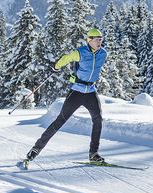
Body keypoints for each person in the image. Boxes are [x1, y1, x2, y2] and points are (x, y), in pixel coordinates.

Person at [24, 28, 108, 165]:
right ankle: (35, 150)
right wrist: (56, 67)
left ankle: (94, 154)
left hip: (91, 92)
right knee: (60, 121)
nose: (100, 42)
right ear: (89, 40)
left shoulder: (103, 54)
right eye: (97, 39)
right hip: (77, 92)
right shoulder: (80, 52)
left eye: (101, 39)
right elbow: (66, 58)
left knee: (98, 120)